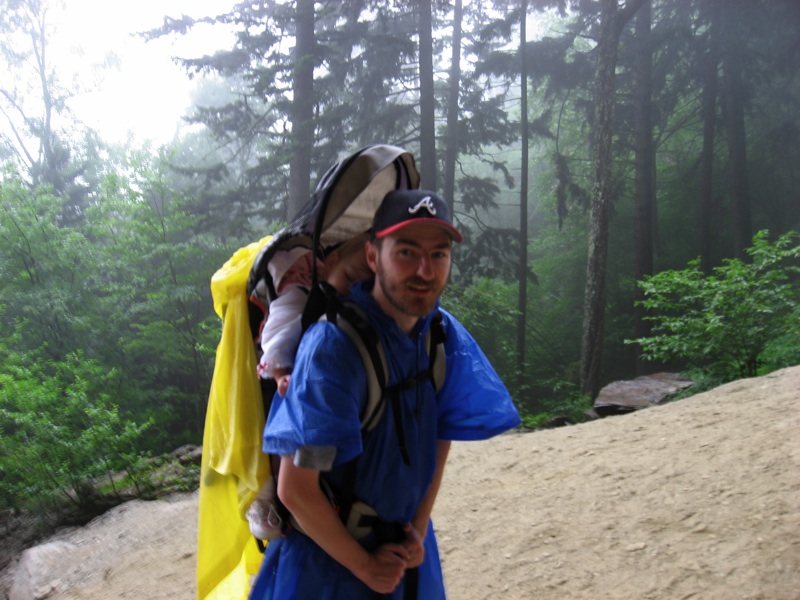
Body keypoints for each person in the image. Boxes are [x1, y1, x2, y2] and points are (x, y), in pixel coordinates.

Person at [249, 189, 521, 599]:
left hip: (405, 557)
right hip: (329, 568)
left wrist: (419, 523)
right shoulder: (334, 349)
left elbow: (440, 431)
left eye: (439, 254)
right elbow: (297, 490)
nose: (425, 271)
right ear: (373, 257)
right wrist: (366, 567)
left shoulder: (441, 336)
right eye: (407, 252)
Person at [248, 232, 373, 540]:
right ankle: (273, 504)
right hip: (288, 384)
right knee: (283, 444)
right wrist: (281, 375)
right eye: (350, 276)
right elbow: (275, 341)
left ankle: (306, 502)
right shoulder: (296, 296)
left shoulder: (332, 300)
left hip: (310, 381)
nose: (354, 287)